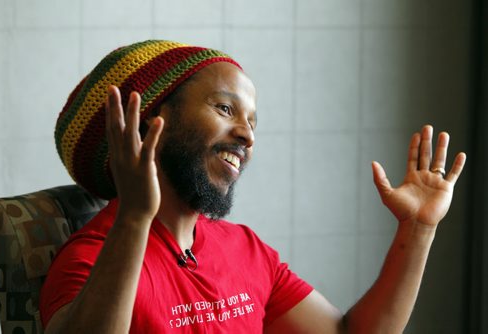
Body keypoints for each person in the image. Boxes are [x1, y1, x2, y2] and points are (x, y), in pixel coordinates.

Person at [40, 40, 466, 333]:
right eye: (225, 108)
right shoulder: (88, 259)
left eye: (253, 122)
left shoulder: (244, 249)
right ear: (151, 123)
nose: (247, 135)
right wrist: (135, 216)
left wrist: (418, 228)